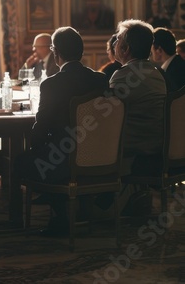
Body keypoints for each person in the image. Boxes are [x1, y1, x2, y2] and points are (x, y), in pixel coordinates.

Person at [15, 26, 109, 235]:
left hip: (63, 162)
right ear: (82, 52)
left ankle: (59, 215)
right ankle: (78, 206)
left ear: (55, 53)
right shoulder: (100, 80)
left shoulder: (52, 84)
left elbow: (41, 127)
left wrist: (34, 145)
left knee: (20, 162)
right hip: (100, 157)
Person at [109, 19, 166, 176]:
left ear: (125, 49)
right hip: (158, 149)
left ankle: (101, 198)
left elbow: (106, 115)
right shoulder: (156, 73)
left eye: (117, 40)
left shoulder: (124, 75)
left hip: (136, 153)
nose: (114, 44)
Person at [151, 27, 185, 92]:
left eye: (152, 49)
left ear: (159, 50)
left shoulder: (172, 72)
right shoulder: (179, 63)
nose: (151, 53)